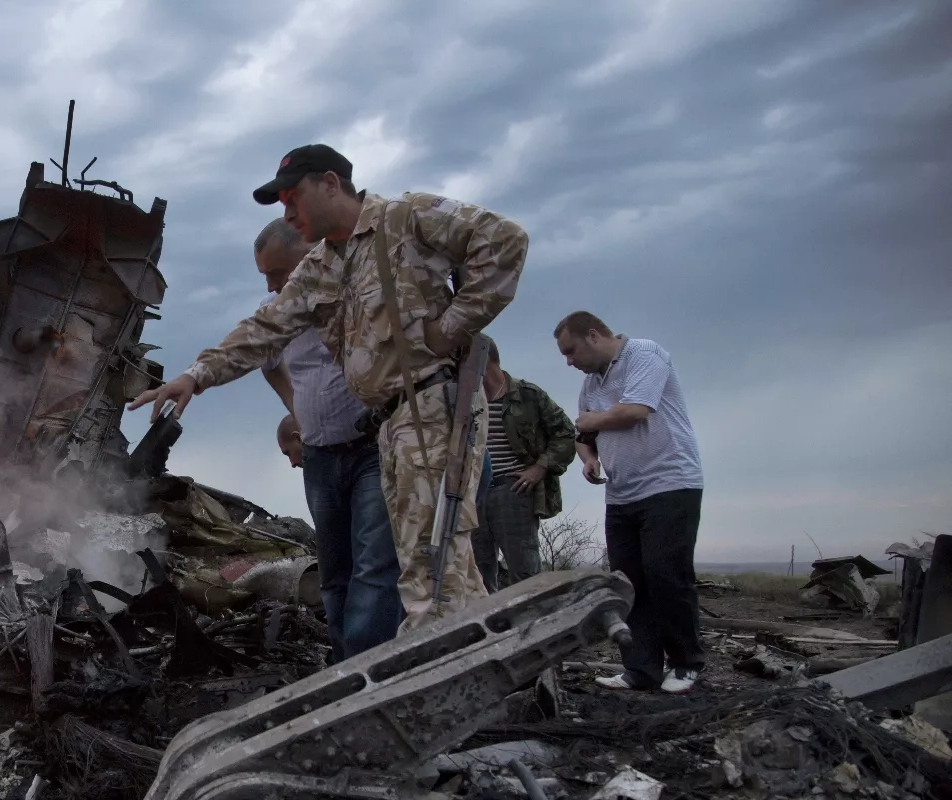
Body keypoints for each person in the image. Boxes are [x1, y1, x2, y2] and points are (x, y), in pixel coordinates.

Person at [129, 144, 529, 632]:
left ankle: (429, 689)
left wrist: (451, 327)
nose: (288, 210)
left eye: (293, 196)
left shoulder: (405, 217)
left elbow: (505, 240)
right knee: (444, 569)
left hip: (431, 407)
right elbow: (264, 328)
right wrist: (196, 375)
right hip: (391, 424)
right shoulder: (322, 265)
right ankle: (492, 675)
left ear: (331, 184)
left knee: (431, 565)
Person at [254, 219, 402, 661]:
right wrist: (296, 408)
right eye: (265, 276)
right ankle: (343, 664)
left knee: (375, 564)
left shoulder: (358, 293)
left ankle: (367, 669)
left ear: (312, 256)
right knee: (334, 570)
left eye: (279, 272)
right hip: (319, 455)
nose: (273, 283)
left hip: (373, 449)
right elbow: (267, 363)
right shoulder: (274, 311)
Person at [554, 311, 705, 694]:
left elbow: (634, 412)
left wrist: (591, 422)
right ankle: (642, 669)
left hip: (669, 484)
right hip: (621, 493)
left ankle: (686, 664)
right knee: (628, 582)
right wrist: (588, 458)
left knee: (666, 574)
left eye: (571, 351)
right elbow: (582, 432)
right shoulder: (591, 383)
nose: (569, 362)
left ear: (593, 335)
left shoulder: (643, 355)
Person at [471, 340, 577, 591]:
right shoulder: (465, 400)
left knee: (525, 574)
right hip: (473, 493)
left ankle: (536, 625)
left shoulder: (527, 395)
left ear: (486, 358)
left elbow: (566, 433)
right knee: (476, 576)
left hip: (513, 490)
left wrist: (540, 468)